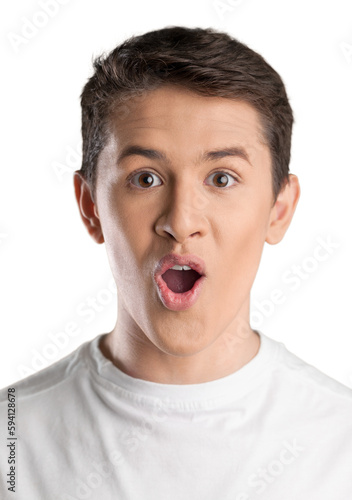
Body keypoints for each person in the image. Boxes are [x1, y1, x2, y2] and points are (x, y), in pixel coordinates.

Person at [1, 25, 351, 500]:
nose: (181, 221)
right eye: (145, 178)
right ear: (90, 207)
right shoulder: (11, 443)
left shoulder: (339, 444)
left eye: (222, 179)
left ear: (279, 210)